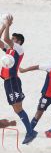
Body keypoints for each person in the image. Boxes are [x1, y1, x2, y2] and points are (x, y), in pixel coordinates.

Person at [0, 15, 37, 144]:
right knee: (17, 109)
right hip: (7, 81)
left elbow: (5, 38)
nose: (11, 39)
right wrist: (4, 26)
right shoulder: (10, 51)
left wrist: (8, 25)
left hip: (13, 80)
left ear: (19, 42)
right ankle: (31, 131)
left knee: (18, 108)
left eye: (13, 39)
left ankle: (30, 132)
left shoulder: (19, 49)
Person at [19, 53, 51, 137]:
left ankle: (50, 131)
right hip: (46, 95)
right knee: (38, 114)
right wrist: (24, 70)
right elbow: (36, 67)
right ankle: (29, 131)